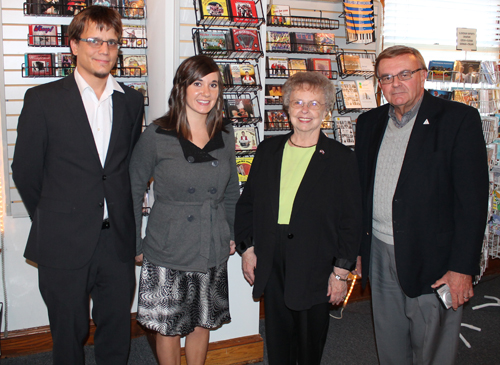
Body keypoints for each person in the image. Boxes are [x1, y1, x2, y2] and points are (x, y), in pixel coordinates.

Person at [11, 6, 144, 365]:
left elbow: (127, 166)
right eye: (94, 40)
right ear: (73, 45)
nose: (104, 49)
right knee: (68, 337)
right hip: (62, 240)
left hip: (115, 241)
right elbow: (25, 170)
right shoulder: (42, 100)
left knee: (117, 331)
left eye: (112, 42)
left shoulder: (131, 101)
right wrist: (58, 212)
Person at [355, 45, 489, 364]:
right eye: (386, 77)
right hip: (379, 254)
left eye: (405, 74)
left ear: (423, 76)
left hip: (436, 260)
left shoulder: (458, 120)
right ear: (379, 84)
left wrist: (461, 268)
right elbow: (361, 192)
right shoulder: (368, 123)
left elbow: (472, 202)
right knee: (389, 342)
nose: (395, 83)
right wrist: (357, 250)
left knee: (433, 347)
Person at [235, 71, 362, 365]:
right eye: (298, 102)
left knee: (308, 345)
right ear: (287, 108)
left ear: (326, 110)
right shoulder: (268, 150)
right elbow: (247, 204)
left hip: (316, 265)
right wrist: (248, 249)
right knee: (278, 342)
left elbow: (351, 220)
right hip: (272, 260)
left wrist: (341, 273)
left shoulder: (341, 158)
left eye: (315, 104)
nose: (305, 111)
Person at [129, 55, 239, 365]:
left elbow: (231, 191)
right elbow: (133, 190)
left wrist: (231, 233)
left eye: (213, 84)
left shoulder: (226, 133)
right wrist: (135, 243)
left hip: (211, 242)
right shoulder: (157, 134)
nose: (206, 92)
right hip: (169, 244)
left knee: (202, 321)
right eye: (197, 83)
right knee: (169, 327)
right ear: (182, 88)